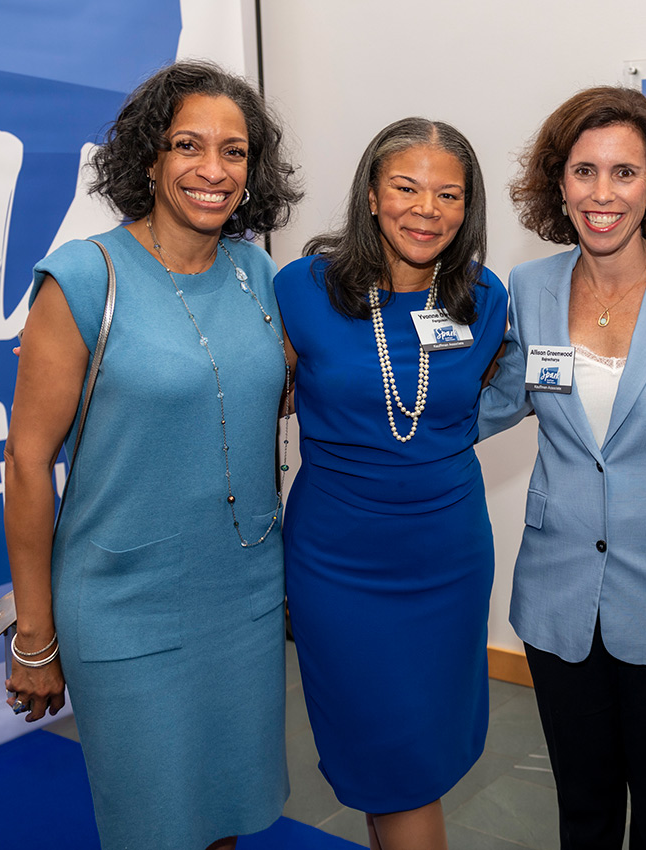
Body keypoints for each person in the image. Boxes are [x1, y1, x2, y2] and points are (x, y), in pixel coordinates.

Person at [3, 61, 301, 850]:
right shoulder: (81, 279)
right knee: (156, 826)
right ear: (149, 158)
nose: (213, 170)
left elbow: (282, 394)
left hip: (242, 592)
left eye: (234, 152)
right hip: (123, 604)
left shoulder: (257, 273)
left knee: (228, 813)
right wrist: (36, 637)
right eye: (188, 146)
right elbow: (28, 463)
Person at [479, 86, 646, 849]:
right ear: (559, 182)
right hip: (558, 594)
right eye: (584, 171)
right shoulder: (528, 287)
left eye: (624, 173)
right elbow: (494, 403)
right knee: (582, 809)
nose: (602, 193)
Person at [273, 118, 506, 850]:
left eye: (448, 194)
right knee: (383, 758)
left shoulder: (483, 298)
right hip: (338, 564)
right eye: (406, 187)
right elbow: (258, 403)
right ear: (371, 194)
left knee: (413, 760)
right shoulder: (302, 289)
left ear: (468, 209)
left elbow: (475, 404)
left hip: (447, 557)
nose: (426, 209)